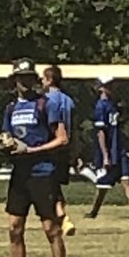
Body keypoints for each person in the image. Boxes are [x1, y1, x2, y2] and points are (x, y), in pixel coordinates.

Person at [1, 58, 70, 257]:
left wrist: (32, 151)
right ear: (14, 81)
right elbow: (6, 135)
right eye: (21, 78)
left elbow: (62, 139)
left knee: (50, 228)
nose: (26, 82)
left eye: (30, 77)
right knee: (14, 227)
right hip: (20, 175)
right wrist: (6, 145)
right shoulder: (10, 109)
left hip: (42, 172)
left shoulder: (45, 104)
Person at [85, 75, 129, 221]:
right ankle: (94, 211)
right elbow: (101, 133)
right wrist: (105, 155)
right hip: (109, 151)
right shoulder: (101, 107)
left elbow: (118, 130)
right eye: (108, 85)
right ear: (101, 88)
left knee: (126, 180)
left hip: (119, 150)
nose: (111, 88)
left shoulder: (114, 105)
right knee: (103, 185)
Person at [42, 64, 76, 238]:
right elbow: (73, 126)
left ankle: (62, 216)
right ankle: (61, 216)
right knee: (55, 184)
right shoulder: (68, 100)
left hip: (51, 147)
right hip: (66, 148)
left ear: (49, 80)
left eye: (43, 78)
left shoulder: (47, 100)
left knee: (50, 185)